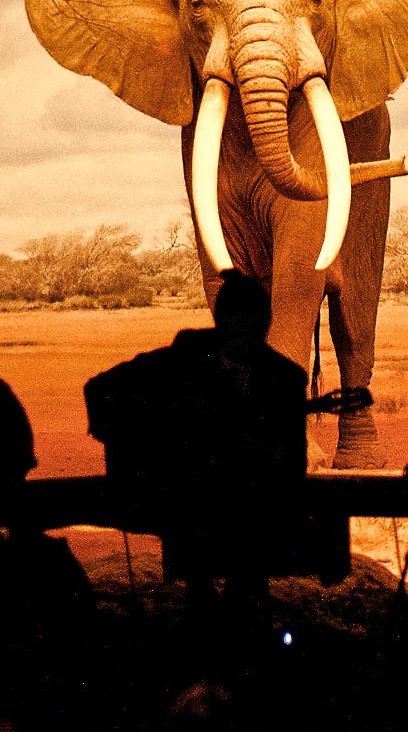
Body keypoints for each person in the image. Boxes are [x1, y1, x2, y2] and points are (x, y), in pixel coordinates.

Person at [85, 270, 308, 631]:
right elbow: (103, 388)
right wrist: (129, 443)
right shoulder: (186, 355)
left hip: (250, 499)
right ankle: (206, 595)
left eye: (250, 324)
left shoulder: (285, 378)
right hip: (189, 493)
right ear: (220, 321)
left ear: (264, 325)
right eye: (234, 324)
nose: (242, 335)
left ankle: (237, 596)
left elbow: (293, 462)